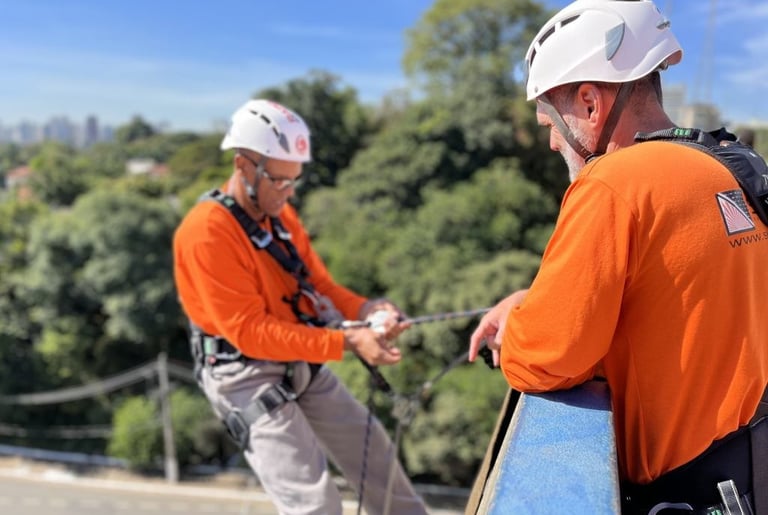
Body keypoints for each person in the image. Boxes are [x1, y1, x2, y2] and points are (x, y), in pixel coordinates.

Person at [468, 1, 768, 513]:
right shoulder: (731, 164)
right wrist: (535, 297)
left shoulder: (613, 182)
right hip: (749, 472)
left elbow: (546, 358)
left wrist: (516, 327)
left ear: (589, 102)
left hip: (686, 493)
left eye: (549, 119)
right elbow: (672, 298)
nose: (549, 141)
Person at [173, 98, 427, 515]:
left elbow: (318, 286)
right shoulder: (206, 233)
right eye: (278, 180)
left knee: (376, 459)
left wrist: (367, 311)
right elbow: (249, 333)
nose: (287, 193)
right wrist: (349, 341)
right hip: (243, 372)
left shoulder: (280, 217)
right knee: (315, 504)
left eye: (294, 182)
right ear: (242, 166)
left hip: (296, 353)